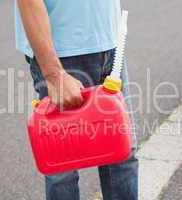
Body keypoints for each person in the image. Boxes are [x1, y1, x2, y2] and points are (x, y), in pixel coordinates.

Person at [15, 1, 138, 200]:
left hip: (110, 43)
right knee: (62, 170)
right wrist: (54, 74)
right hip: (63, 54)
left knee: (123, 156)